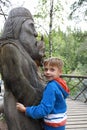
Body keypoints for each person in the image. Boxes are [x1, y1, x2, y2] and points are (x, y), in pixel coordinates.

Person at [16, 57, 70, 130]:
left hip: (52, 126)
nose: (48, 72)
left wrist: (26, 110)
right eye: (46, 69)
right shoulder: (60, 84)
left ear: (60, 72)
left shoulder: (51, 87)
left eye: (52, 70)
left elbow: (44, 109)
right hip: (60, 124)